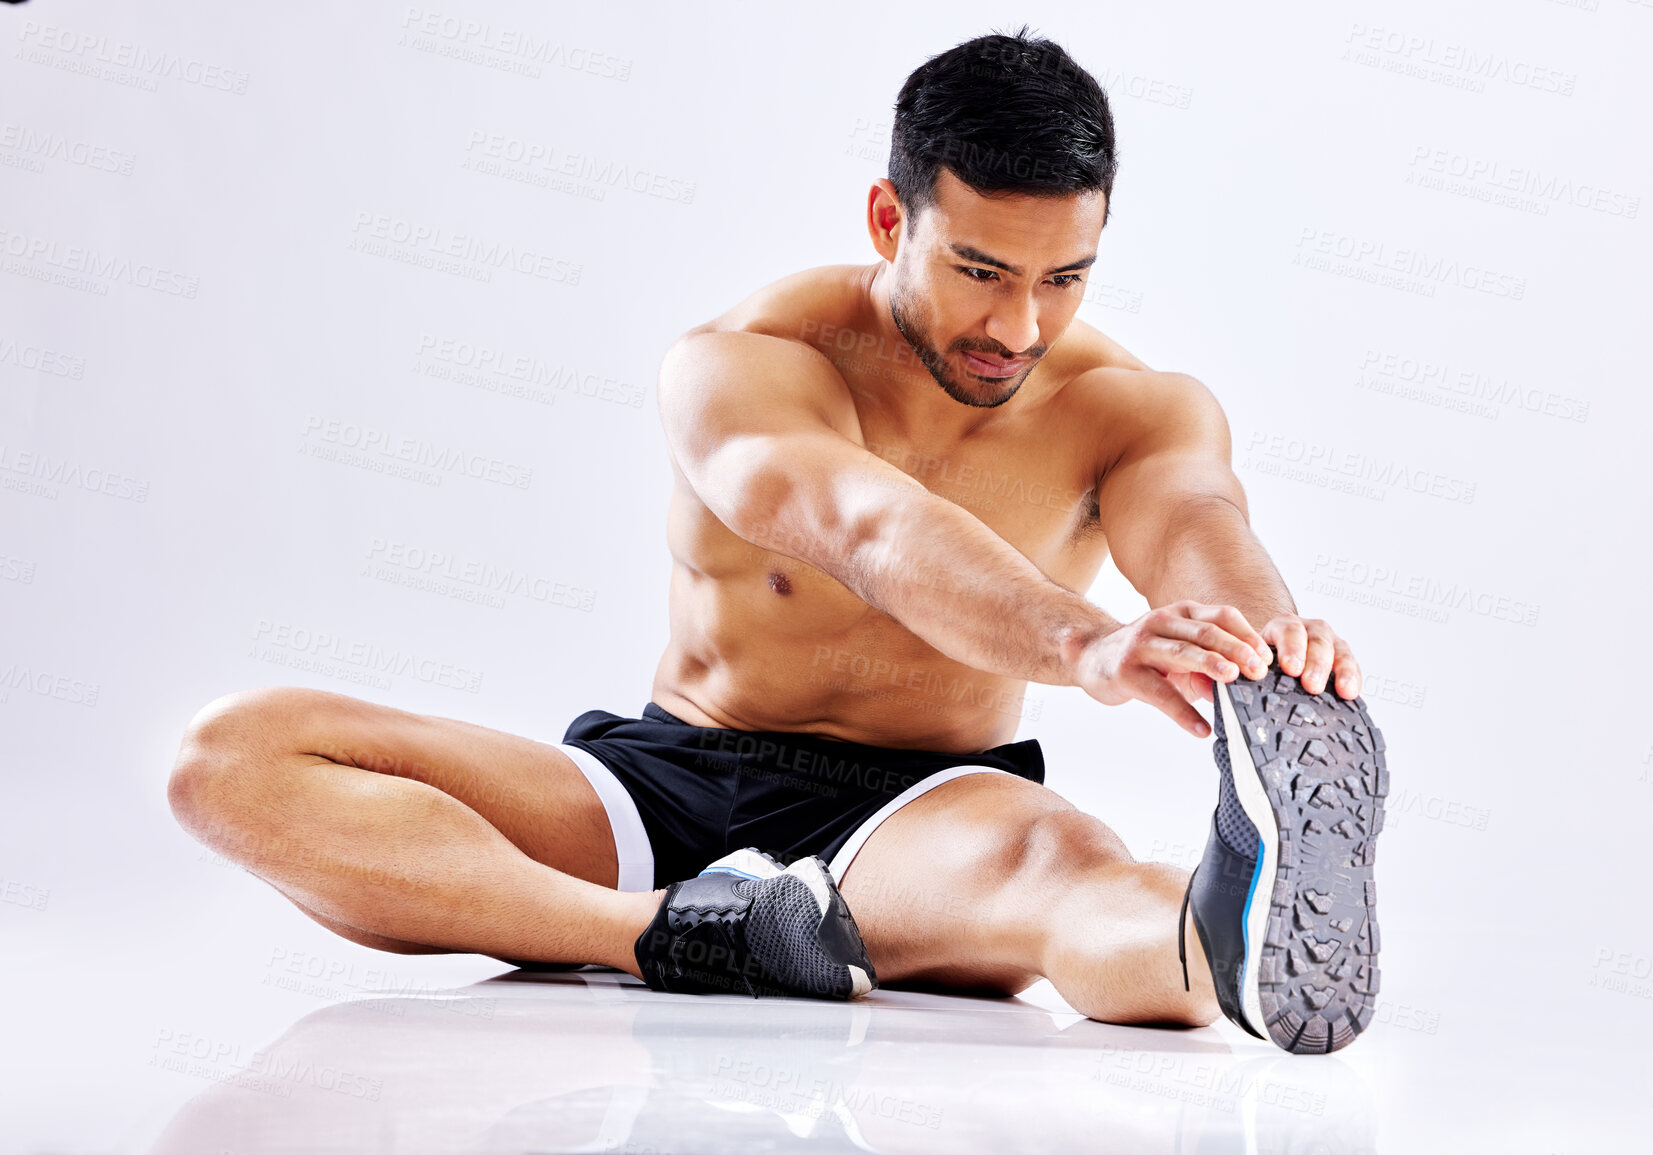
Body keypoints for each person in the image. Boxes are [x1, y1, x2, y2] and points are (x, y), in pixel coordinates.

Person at [169, 26, 1384, 1054]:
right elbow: (866, 524)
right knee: (235, 757)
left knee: (1065, 878)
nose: (1020, 326)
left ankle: (1231, 940)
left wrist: (1268, 652)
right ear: (885, 218)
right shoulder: (744, 364)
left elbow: (1197, 520)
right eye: (979, 270)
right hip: (663, 782)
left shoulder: (1133, 405)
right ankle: (674, 936)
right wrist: (1086, 644)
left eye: (1065, 278)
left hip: (924, 807)